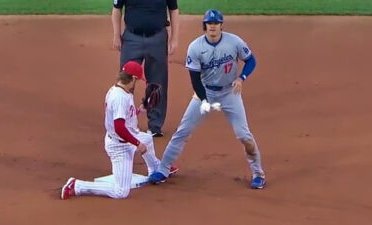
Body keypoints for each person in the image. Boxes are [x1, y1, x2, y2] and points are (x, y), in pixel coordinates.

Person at [148, 9, 266, 189]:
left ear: (221, 25)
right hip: (205, 92)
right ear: (205, 26)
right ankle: (163, 169)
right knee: (183, 131)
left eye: (216, 23)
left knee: (244, 135)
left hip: (229, 94)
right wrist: (204, 101)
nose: (213, 26)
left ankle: (258, 173)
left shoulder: (234, 42)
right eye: (209, 24)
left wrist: (241, 78)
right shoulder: (196, 47)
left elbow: (251, 60)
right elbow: (195, 80)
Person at [60, 61, 178, 200]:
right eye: (137, 80)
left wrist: (140, 110)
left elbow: (126, 114)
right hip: (120, 146)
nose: (138, 83)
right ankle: (77, 185)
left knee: (147, 139)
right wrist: (137, 143)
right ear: (132, 78)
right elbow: (120, 128)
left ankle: (156, 168)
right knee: (121, 191)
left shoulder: (121, 89)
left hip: (125, 137)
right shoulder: (119, 97)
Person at [111, 0, 180, 137]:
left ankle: (155, 126)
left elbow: (174, 10)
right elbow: (116, 9)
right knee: (125, 81)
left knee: (157, 82)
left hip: (157, 38)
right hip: (131, 38)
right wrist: (116, 34)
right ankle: (122, 121)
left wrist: (174, 38)